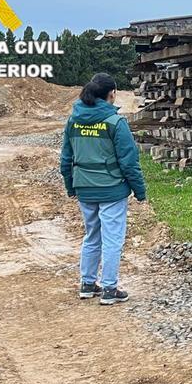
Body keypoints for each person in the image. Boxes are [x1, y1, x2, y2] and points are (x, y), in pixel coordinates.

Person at [59, 72, 147, 306]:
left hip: (84, 188)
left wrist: (71, 186)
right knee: (112, 240)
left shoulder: (73, 121)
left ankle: (87, 284)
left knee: (91, 236)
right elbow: (129, 161)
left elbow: (66, 159)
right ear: (112, 94)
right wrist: (139, 191)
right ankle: (109, 288)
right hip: (112, 190)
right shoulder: (115, 123)